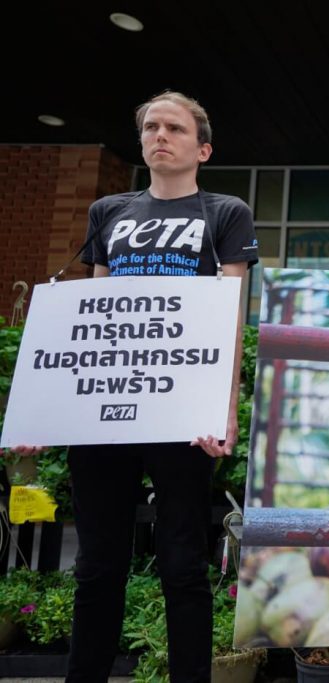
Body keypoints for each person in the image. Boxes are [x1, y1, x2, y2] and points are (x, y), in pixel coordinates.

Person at [12, 90, 258, 682]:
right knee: (98, 564)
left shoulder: (225, 213)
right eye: (150, 126)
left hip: (182, 412)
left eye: (174, 127)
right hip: (105, 412)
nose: (159, 135)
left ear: (202, 148)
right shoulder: (109, 212)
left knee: (182, 563)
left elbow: (229, 315)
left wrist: (224, 409)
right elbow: (94, 319)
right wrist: (47, 415)